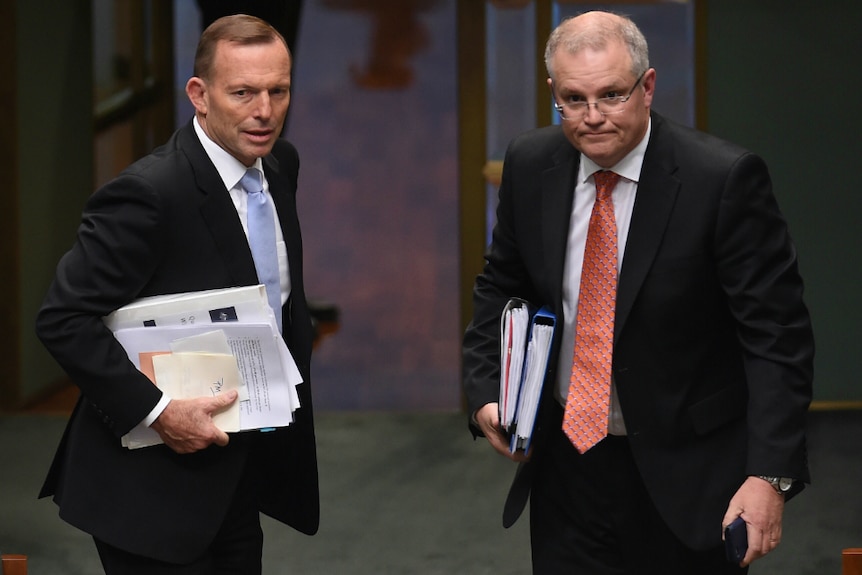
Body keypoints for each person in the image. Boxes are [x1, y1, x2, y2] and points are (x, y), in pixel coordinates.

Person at [462, 11, 814, 575]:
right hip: (567, 468)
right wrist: (485, 389)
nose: (593, 118)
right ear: (553, 92)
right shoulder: (531, 164)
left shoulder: (721, 179)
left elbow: (776, 337)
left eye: (611, 95)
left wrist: (769, 474)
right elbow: (502, 285)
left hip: (690, 474)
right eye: (574, 100)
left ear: (647, 87)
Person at [35, 14, 318, 574]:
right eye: (242, 93)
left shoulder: (279, 165)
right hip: (147, 494)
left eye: (277, 91)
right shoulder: (148, 194)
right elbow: (64, 319)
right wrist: (159, 411)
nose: (265, 111)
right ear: (200, 95)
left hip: (235, 472)